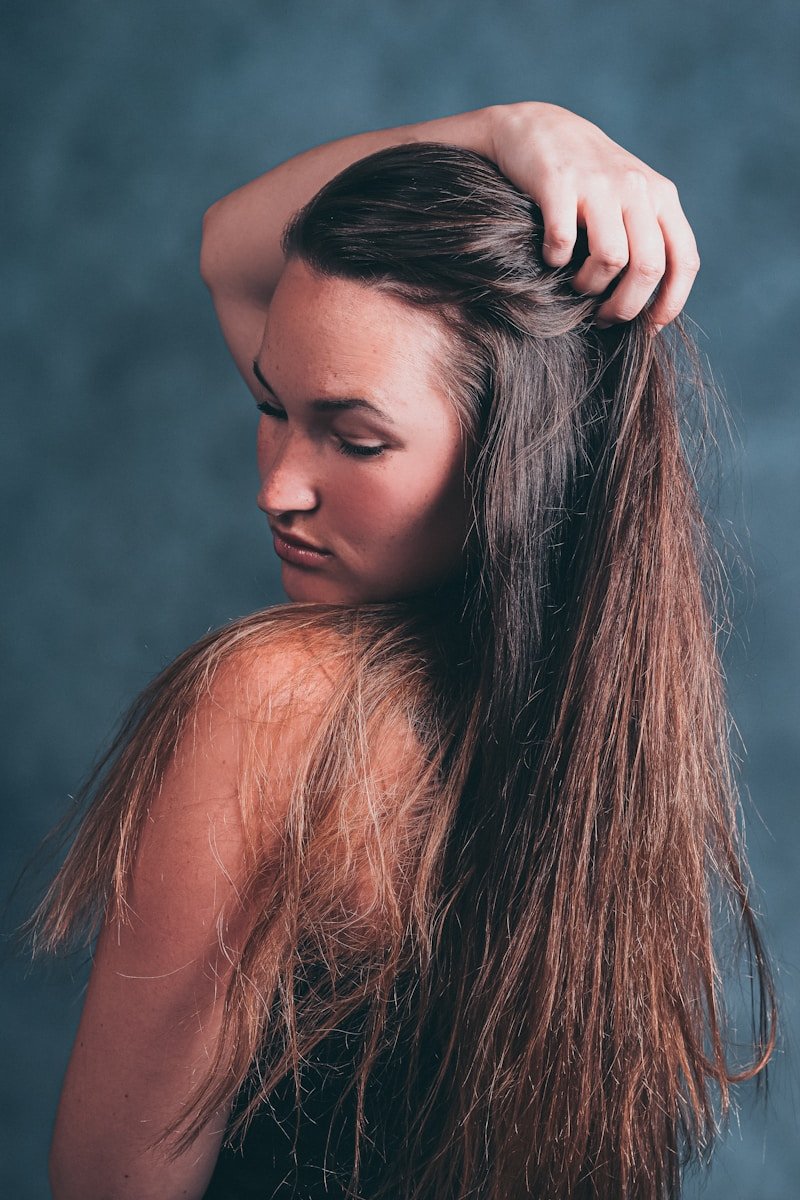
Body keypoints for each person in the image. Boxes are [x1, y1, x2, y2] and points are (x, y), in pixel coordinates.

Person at [24, 103, 775, 1199]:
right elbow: (240, 250)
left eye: (356, 437)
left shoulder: (276, 702)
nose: (276, 485)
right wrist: (515, 130)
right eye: (269, 407)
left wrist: (508, 128)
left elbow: (110, 1186)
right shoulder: (617, 756)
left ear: (515, 464)